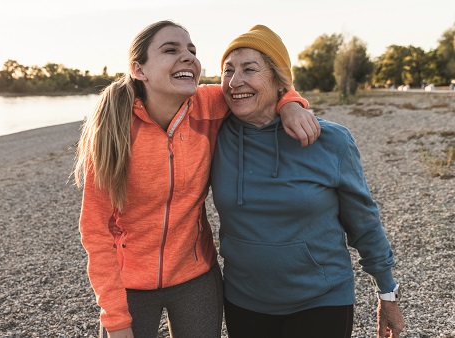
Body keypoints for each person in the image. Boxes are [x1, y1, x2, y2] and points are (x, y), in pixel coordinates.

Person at [73, 21, 319, 338]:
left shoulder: (210, 105)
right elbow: (95, 231)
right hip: (129, 284)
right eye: (171, 50)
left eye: (192, 50)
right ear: (139, 69)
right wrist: (116, 320)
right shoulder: (114, 131)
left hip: (197, 277)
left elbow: (264, 88)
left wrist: (291, 106)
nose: (188, 56)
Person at [210, 24, 406, 338]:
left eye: (249, 69)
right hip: (244, 301)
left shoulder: (331, 141)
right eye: (227, 70)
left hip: (321, 300)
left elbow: (364, 222)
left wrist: (387, 294)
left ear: (278, 80)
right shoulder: (214, 135)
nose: (235, 82)